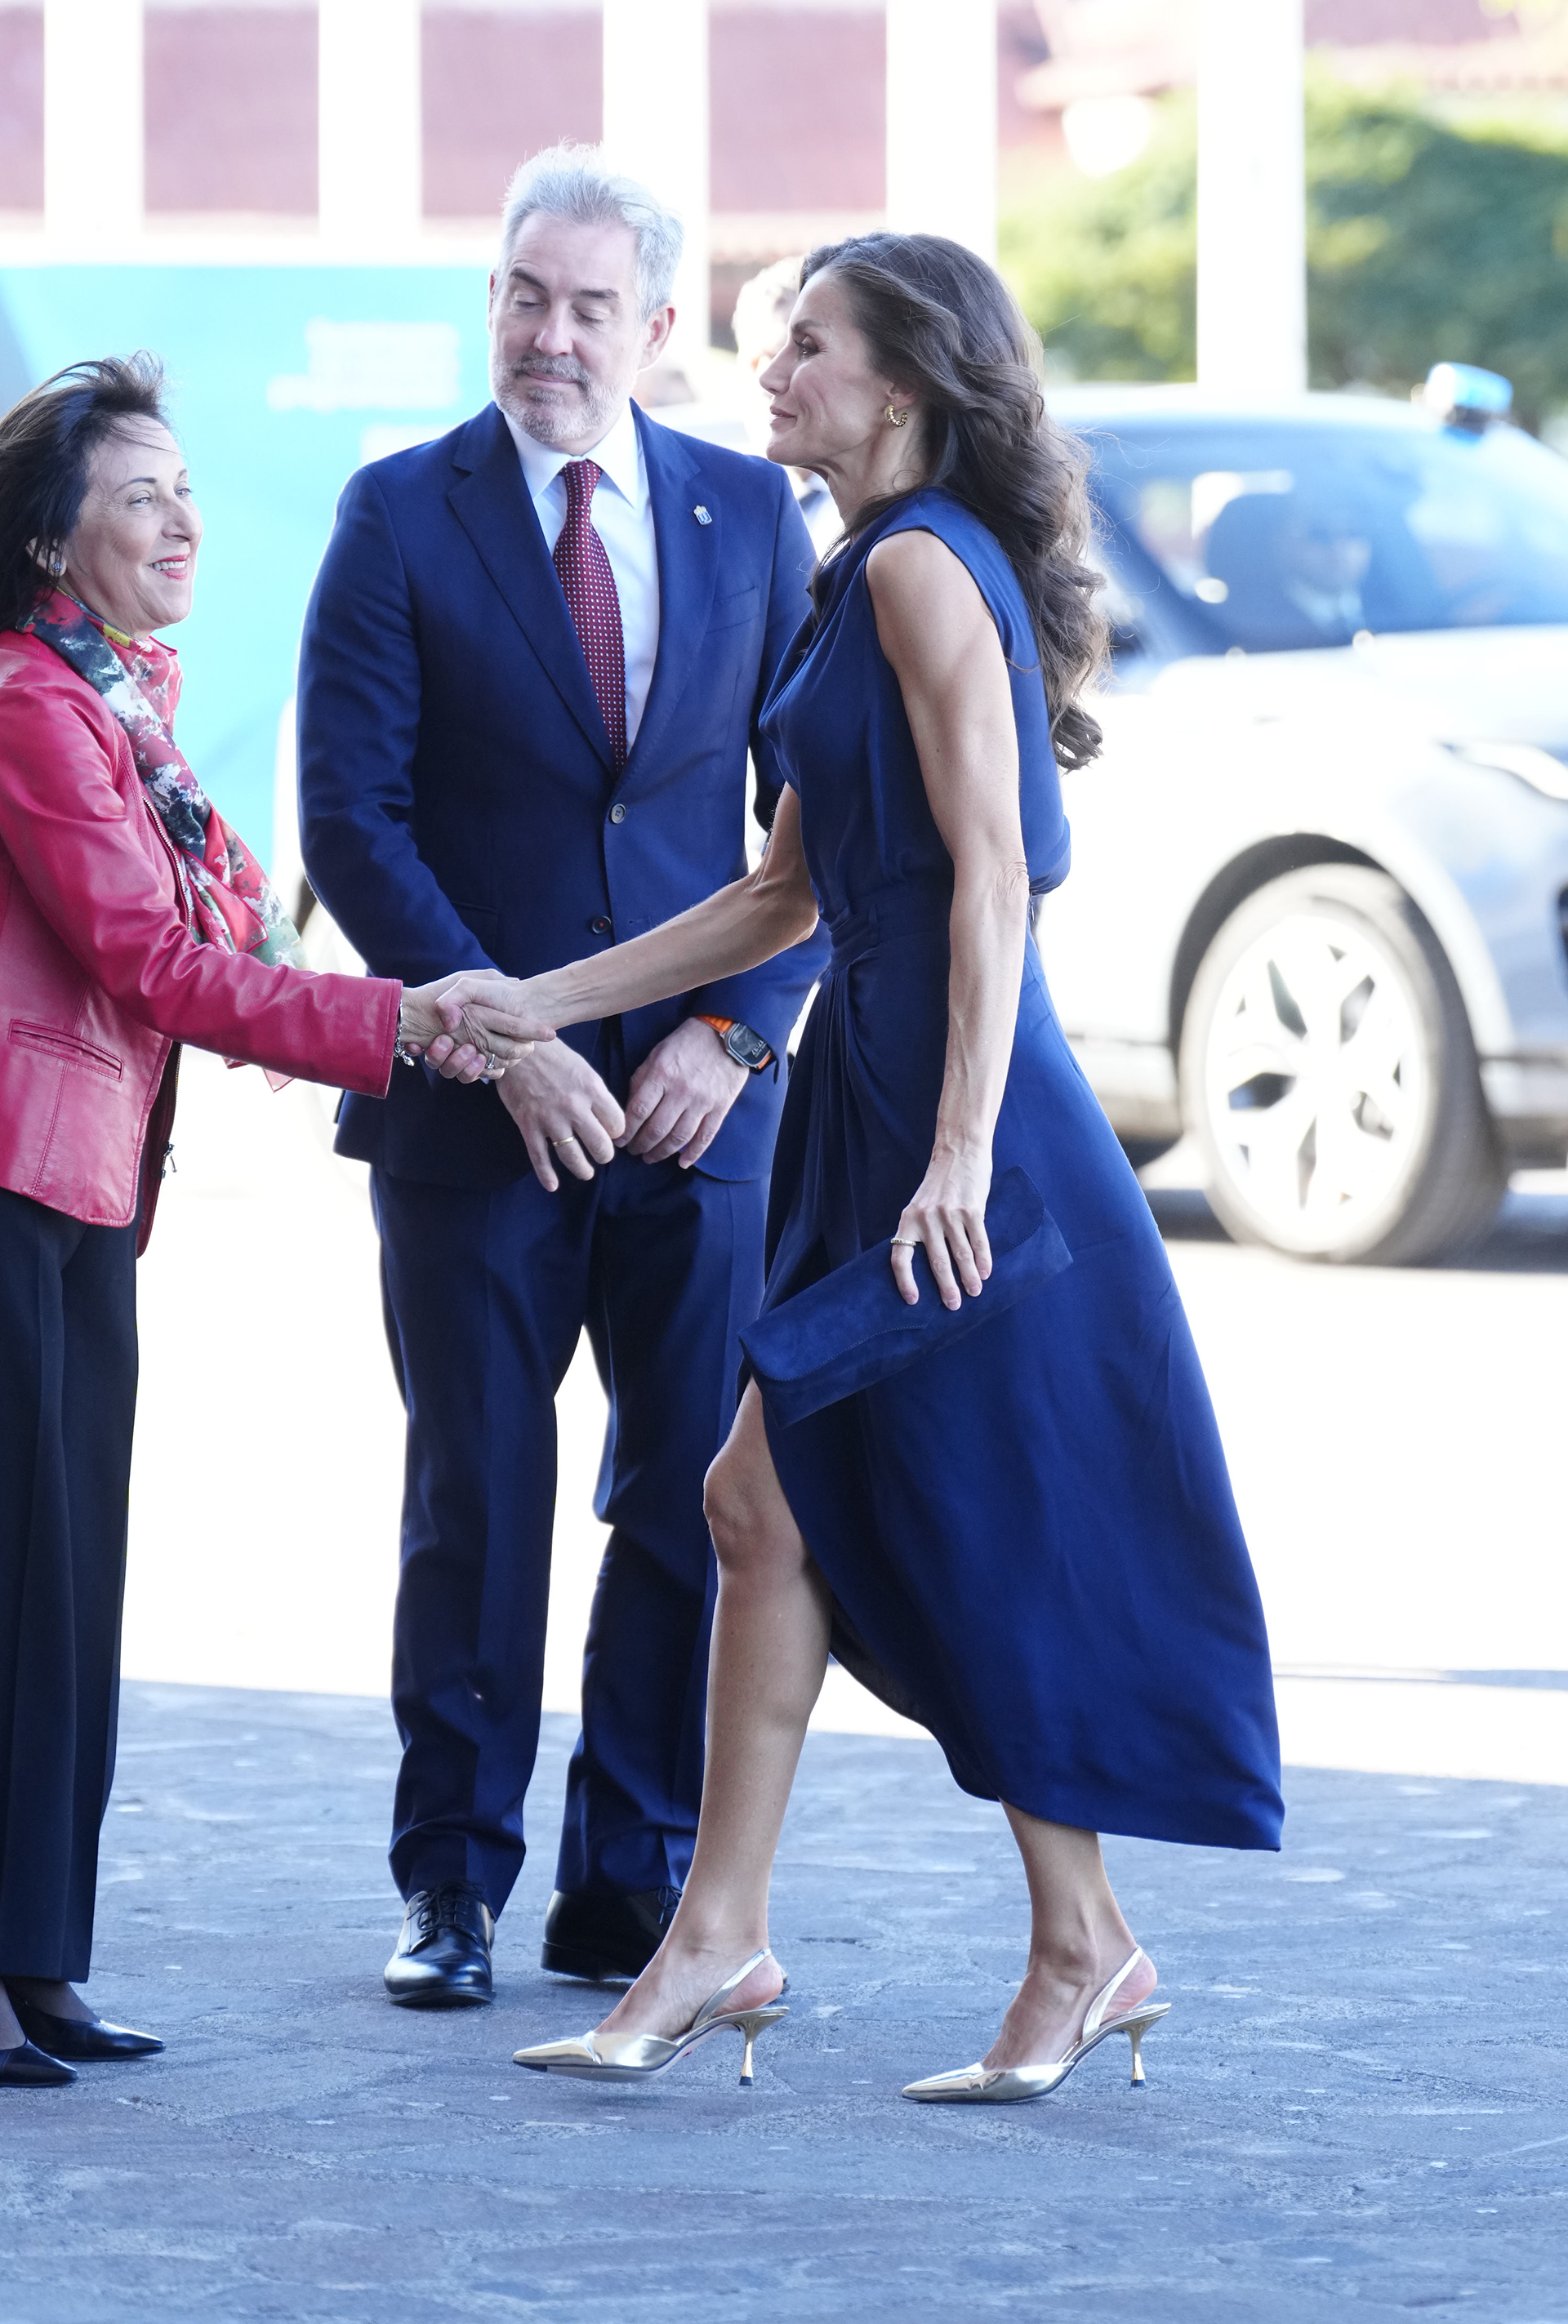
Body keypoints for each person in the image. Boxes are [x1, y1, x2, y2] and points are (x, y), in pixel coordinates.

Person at [446, 234, 1285, 2103]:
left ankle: (988, 1937)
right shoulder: (860, 578)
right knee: (768, 1504)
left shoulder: (916, 569)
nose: (773, 374)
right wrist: (538, 1000)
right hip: (874, 1100)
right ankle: (826, 1934)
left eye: (805, 344)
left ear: (901, 380)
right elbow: (777, 894)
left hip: (971, 1126)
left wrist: (966, 1148)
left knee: (907, 1512)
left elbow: (993, 874)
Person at [296, 145, 825, 2012]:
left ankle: (631, 1884)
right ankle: (448, 1880)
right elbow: (351, 819)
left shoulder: (754, 518)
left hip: (700, 1107)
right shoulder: (397, 516)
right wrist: (502, 1035)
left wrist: (737, 1026)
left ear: (659, 328)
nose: (551, 332)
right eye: (527, 293)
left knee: (690, 1499)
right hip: (469, 1111)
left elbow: (818, 819)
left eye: (592, 304)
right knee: (480, 1493)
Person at [0, 356, 505, 2090]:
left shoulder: (118, 700)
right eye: (141, 493)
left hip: (78, 1184)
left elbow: (209, 935)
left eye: (188, 489)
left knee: (66, 1591)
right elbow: (149, 963)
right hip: (17, 1177)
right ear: (54, 535)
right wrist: (407, 1021)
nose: (185, 521)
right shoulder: (30, 703)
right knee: (16, 1588)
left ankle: (38, 1965)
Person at [732, 257, 840, 554]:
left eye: (801, 353)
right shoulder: (719, 504)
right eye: (753, 360)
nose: (766, 380)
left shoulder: (874, 520)